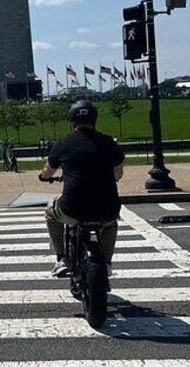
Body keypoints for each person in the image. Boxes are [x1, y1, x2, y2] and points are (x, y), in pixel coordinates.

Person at [38, 100, 124, 278]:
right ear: (94, 120)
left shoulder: (63, 143)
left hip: (73, 208)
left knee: (50, 212)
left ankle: (61, 258)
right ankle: (107, 263)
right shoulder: (108, 142)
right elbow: (118, 175)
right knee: (110, 224)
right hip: (106, 207)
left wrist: (43, 177)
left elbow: (47, 171)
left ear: (72, 122)